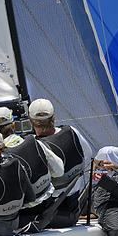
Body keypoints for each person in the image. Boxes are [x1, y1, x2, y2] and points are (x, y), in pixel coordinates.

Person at [0, 106, 64, 229]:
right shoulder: (34, 141)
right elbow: (59, 171)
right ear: (13, 125)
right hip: (49, 206)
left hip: (23, 215)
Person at [28, 98, 94, 228]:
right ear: (53, 118)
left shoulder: (37, 147)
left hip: (51, 212)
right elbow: (88, 155)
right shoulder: (72, 131)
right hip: (74, 206)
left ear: (31, 121)